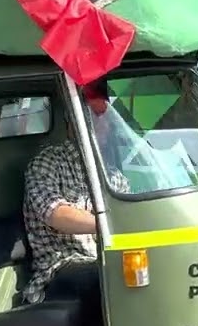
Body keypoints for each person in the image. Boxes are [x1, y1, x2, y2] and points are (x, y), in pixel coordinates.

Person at [21, 84, 128, 306]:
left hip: (104, 258)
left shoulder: (110, 173)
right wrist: (109, 222)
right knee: (112, 276)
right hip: (61, 266)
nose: (107, 127)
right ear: (75, 124)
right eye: (99, 118)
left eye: (108, 118)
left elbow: (129, 211)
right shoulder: (47, 163)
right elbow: (56, 214)